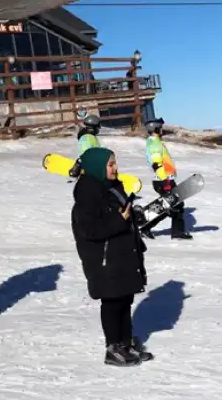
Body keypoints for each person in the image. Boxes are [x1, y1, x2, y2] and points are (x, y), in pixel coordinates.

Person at [71, 147, 153, 367]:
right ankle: (112, 347)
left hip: (122, 254)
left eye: (115, 163)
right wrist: (120, 220)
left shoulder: (113, 187)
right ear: (97, 167)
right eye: (110, 164)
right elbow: (90, 231)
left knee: (125, 298)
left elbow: (122, 215)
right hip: (104, 260)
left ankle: (125, 343)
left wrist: (132, 216)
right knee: (112, 302)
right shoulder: (87, 194)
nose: (115, 168)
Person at [143, 118, 191, 240]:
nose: (162, 130)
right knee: (176, 205)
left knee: (168, 206)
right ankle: (176, 233)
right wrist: (166, 182)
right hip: (164, 180)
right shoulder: (154, 143)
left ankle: (146, 227)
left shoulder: (154, 141)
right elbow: (157, 164)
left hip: (163, 179)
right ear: (155, 129)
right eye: (160, 128)